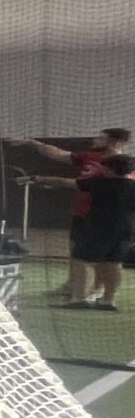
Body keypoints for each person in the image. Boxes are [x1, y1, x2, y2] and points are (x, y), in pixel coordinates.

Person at [27, 128, 132, 304]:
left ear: (115, 142)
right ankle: (75, 287)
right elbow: (60, 155)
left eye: (101, 138)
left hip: (102, 218)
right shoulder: (91, 156)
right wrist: (35, 144)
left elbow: (69, 183)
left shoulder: (121, 167)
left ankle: (95, 290)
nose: (95, 140)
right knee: (78, 250)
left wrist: (39, 179)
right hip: (84, 213)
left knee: (99, 258)